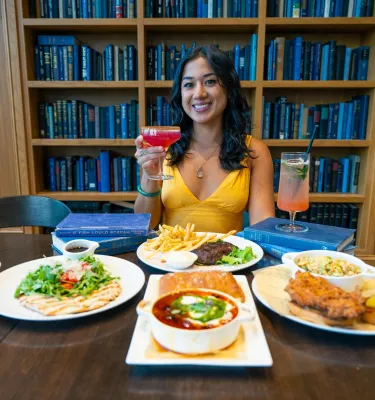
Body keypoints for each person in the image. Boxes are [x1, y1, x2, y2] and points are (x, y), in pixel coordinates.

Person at [134, 45, 275, 233]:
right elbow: (144, 225)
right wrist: (150, 174)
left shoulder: (254, 151)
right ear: (180, 94)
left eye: (210, 82)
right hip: (169, 260)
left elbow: (262, 229)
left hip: (228, 261)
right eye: (189, 84)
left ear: (228, 89)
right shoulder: (163, 146)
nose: (199, 93)